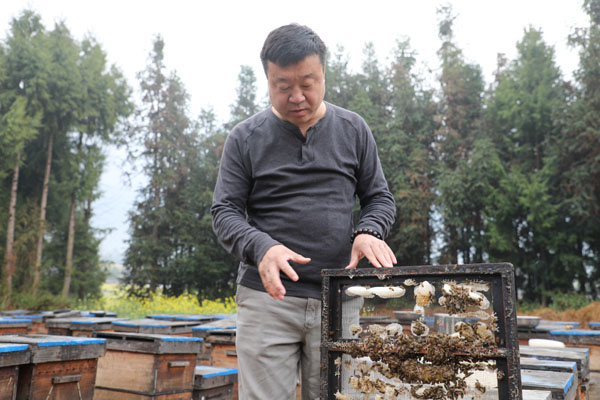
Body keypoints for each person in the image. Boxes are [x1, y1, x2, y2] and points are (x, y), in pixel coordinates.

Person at [211, 23, 396, 400]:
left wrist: (369, 231)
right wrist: (263, 247)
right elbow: (225, 212)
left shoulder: (353, 129)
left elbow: (379, 197)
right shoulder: (245, 138)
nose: (296, 97)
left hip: (340, 298)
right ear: (267, 79)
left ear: (323, 74)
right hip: (268, 300)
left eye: (307, 84)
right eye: (283, 86)